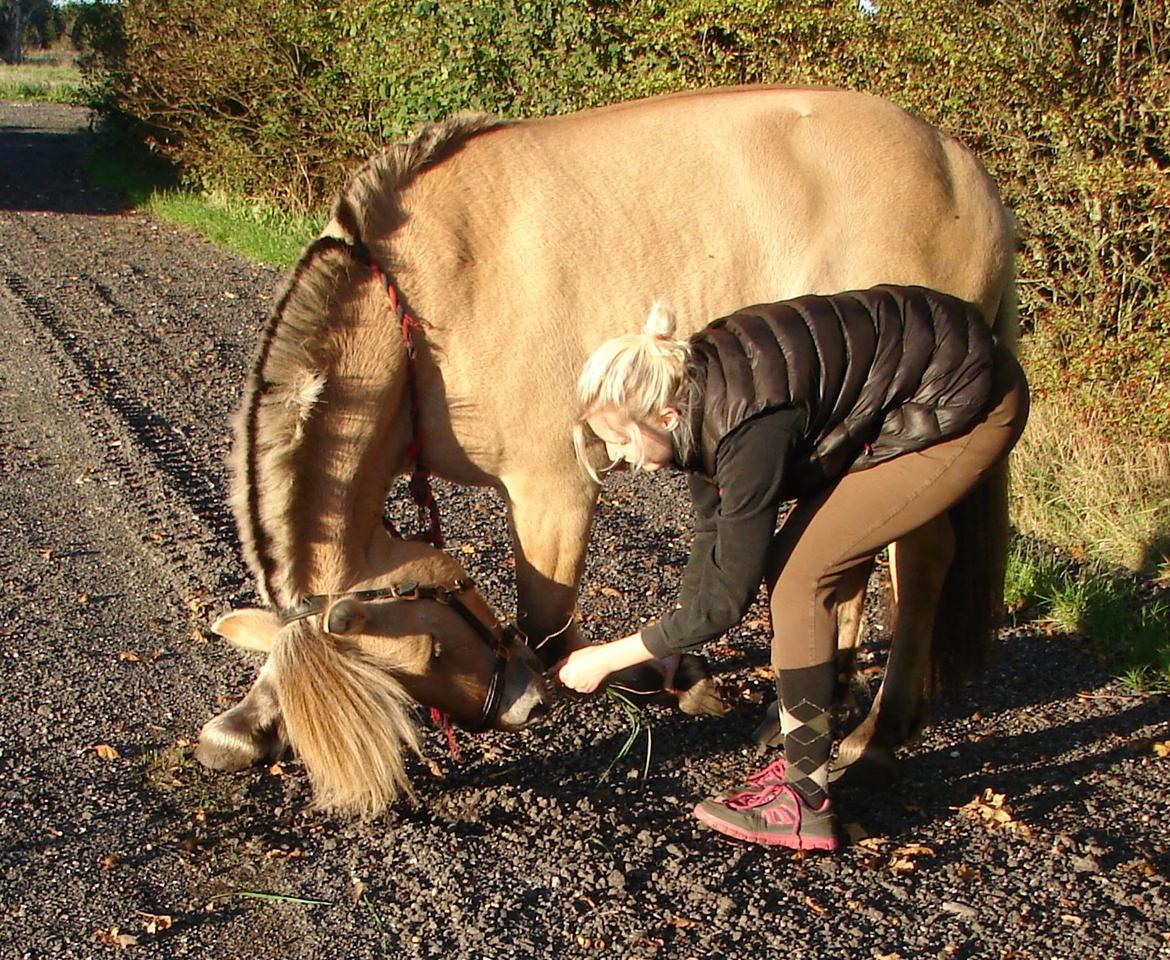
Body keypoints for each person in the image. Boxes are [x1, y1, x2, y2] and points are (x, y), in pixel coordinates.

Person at [557, 284, 1029, 851]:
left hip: (966, 401)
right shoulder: (694, 393)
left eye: (621, 440)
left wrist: (609, 657)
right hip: (925, 373)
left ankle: (804, 800)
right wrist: (674, 644)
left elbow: (725, 604)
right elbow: (713, 532)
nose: (618, 457)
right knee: (795, 567)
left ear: (665, 413)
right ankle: (806, 764)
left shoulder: (747, 427)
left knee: (804, 573)